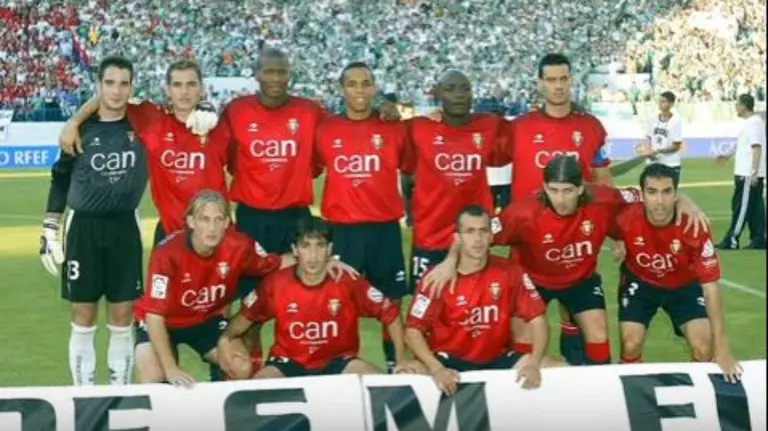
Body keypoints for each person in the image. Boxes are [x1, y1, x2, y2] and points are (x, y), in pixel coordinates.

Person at [425, 156, 708, 365]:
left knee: (599, 336)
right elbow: (477, 233)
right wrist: (450, 260)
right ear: (544, 188)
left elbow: (650, 194)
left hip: (580, 280)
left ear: (581, 188)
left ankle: (604, 395)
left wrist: (685, 201)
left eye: (568, 191)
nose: (561, 199)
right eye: (554, 190)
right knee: (523, 341)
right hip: (533, 281)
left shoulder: (604, 199)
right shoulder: (522, 214)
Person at [219, 48, 400, 370]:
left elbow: (321, 158)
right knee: (254, 305)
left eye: (281, 72)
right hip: (252, 217)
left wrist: (385, 108)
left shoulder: (310, 112)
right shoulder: (236, 111)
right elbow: (226, 157)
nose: (275, 78)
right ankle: (258, 374)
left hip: (296, 216)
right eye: (269, 72)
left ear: (290, 74)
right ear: (256, 74)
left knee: (311, 297)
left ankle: (321, 367)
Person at [133, 191, 358, 385]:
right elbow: (154, 316)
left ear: (227, 223)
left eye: (218, 219)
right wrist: (171, 367)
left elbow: (276, 262)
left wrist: (323, 260)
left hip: (205, 321)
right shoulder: (167, 253)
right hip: (162, 322)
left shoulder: (239, 246)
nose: (212, 228)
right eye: (205, 219)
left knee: (241, 367)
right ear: (191, 222)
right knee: (154, 376)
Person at [39, 56, 148, 386]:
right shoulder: (81, 130)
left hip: (125, 227)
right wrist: (50, 227)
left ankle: (119, 394)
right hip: (84, 228)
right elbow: (60, 178)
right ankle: (84, 397)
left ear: (132, 86)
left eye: (124, 83)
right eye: (110, 83)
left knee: (122, 316)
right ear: (99, 86)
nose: (116, 91)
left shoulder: (143, 125)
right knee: (83, 316)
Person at [505, 53, 615, 365]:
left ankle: (593, 394)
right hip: (529, 247)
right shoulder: (518, 127)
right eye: (551, 80)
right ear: (540, 83)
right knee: (522, 335)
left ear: (572, 80)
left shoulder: (591, 127)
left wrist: (617, 234)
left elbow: (604, 180)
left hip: (575, 243)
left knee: (585, 326)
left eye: (563, 79)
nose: (558, 86)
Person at [217, 216, 423, 379]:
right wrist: (225, 338)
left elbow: (391, 314)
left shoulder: (347, 280)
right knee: (257, 391)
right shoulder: (276, 283)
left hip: (340, 362)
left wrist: (401, 360)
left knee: (380, 389)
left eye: (320, 245)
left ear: (330, 249)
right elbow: (244, 318)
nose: (313, 256)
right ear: (295, 250)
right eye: (306, 246)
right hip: (288, 364)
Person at [57, 60, 227, 246]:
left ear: (202, 89)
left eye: (191, 84)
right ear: (167, 90)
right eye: (177, 85)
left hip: (216, 237)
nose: (184, 92)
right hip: (171, 238)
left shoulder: (221, 129)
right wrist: (74, 122)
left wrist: (207, 106)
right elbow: (109, 96)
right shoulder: (151, 119)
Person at [405, 205, 563, 395]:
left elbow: (538, 320)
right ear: (457, 238)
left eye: (483, 231)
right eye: (470, 232)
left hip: (497, 359)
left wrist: (535, 363)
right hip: (449, 362)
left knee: (560, 370)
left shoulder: (510, 271)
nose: (478, 239)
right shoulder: (437, 279)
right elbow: (413, 331)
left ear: (491, 236)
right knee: (406, 374)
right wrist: (436, 368)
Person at [314, 62, 409, 372]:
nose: (359, 89)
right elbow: (313, 168)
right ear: (342, 89)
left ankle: (397, 365)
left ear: (374, 88)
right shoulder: (325, 129)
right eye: (352, 83)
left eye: (365, 83)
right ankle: (341, 366)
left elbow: (410, 168)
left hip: (384, 230)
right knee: (338, 303)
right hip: (343, 231)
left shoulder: (393, 128)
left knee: (391, 303)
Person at [613, 163, 742, 383]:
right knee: (631, 344)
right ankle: (632, 397)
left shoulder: (694, 225)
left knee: (703, 347)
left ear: (676, 194)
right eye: (652, 192)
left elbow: (711, 289)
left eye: (667, 192)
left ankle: (699, 395)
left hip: (684, 285)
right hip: (640, 283)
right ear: (641, 194)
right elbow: (593, 197)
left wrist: (722, 349)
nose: (659, 201)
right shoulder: (626, 214)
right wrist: (615, 239)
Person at [403, 70, 508, 293]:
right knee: (426, 311)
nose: (459, 95)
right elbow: (399, 161)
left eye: (465, 89)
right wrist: (384, 107)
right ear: (438, 94)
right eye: (450, 89)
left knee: (472, 310)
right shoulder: (418, 128)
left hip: (474, 238)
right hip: (430, 238)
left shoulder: (491, 126)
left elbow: (532, 131)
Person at [716, 94, 766, 250]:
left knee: (741, 207)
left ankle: (732, 240)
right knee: (755, 208)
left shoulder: (753, 123)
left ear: (744, 105)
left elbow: (756, 147)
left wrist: (753, 172)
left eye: (737, 104)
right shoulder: (752, 123)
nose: (735, 107)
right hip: (750, 172)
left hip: (747, 173)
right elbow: (742, 145)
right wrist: (727, 155)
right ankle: (759, 239)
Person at [640, 91, 684, 182]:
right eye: (659, 101)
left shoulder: (676, 121)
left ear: (671, 104)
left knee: (670, 194)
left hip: (670, 163)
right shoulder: (652, 118)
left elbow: (676, 146)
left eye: (663, 101)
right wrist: (648, 151)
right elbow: (648, 137)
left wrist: (658, 151)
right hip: (654, 162)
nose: (660, 104)